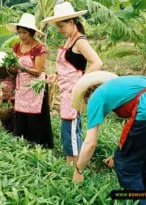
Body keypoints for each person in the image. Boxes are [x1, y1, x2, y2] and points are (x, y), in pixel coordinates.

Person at [71, 71, 146, 205]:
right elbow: (137, 134)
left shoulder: (96, 97)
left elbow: (90, 143)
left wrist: (79, 170)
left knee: (128, 167)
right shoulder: (124, 85)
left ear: (87, 96)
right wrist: (120, 153)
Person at [42, 1, 103, 164]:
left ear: (71, 22)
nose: (59, 30)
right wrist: (56, 75)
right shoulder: (69, 39)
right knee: (69, 127)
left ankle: (74, 163)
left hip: (73, 91)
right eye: (57, 26)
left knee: (69, 127)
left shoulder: (80, 41)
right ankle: (73, 160)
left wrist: (81, 83)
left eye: (61, 26)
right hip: (65, 91)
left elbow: (97, 63)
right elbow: (70, 64)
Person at [5, 13, 54, 148]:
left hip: (36, 87)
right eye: (19, 32)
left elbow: (38, 71)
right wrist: (11, 68)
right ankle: (22, 143)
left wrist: (21, 67)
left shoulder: (40, 48)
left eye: (25, 32)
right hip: (22, 87)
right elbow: (14, 67)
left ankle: (38, 145)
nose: (22, 36)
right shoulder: (16, 46)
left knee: (35, 118)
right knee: (21, 115)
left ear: (31, 32)